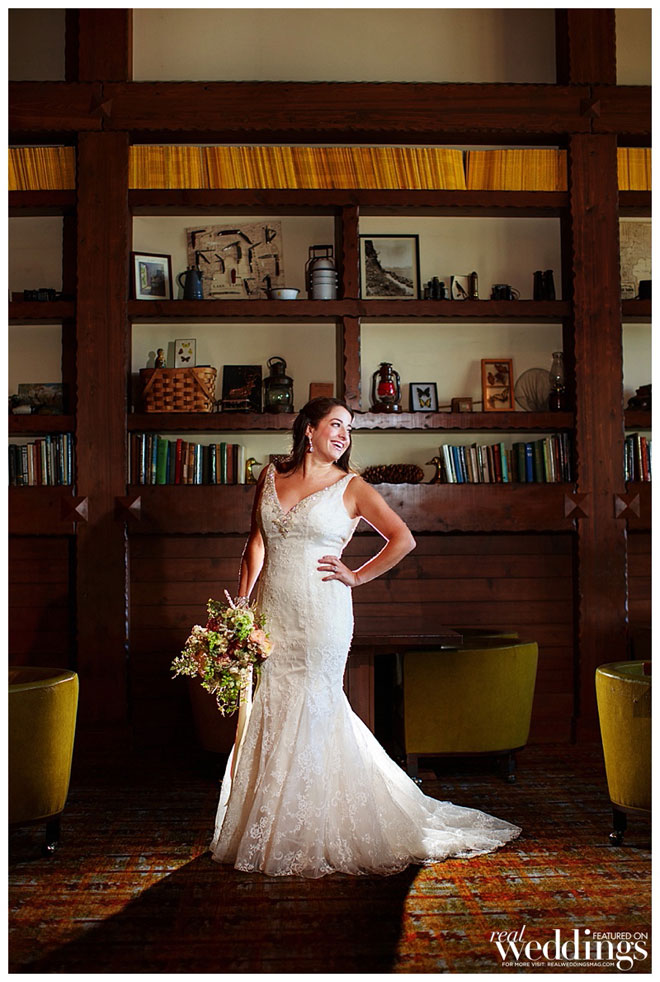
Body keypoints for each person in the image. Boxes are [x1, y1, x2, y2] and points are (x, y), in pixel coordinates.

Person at [210, 396, 520, 877]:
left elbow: (403, 538)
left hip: (321, 615)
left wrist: (355, 576)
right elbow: (255, 543)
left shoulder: (352, 487)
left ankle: (309, 829)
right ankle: (271, 826)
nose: (344, 435)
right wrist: (242, 607)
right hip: (271, 615)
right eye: (336, 425)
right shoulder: (270, 476)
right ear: (308, 429)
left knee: (314, 706)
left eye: (349, 429)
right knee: (273, 706)